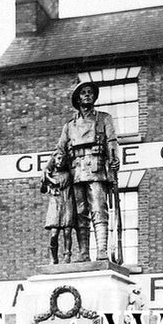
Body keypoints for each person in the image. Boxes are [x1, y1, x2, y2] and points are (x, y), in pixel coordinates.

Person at [55, 81, 119, 261]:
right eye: (83, 92)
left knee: (99, 209)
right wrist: (54, 164)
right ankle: (84, 253)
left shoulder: (104, 118)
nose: (87, 95)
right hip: (77, 172)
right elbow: (60, 150)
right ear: (78, 98)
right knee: (79, 214)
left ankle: (102, 251)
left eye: (90, 92)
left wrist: (114, 161)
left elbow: (112, 143)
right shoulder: (69, 126)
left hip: (96, 168)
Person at [41, 150, 76, 264]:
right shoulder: (50, 174)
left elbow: (57, 183)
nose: (60, 161)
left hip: (66, 202)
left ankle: (67, 255)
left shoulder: (66, 175)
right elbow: (43, 189)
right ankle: (53, 257)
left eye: (62, 159)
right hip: (55, 204)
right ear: (54, 160)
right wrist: (44, 178)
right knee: (54, 233)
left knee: (67, 232)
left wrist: (47, 177)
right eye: (58, 159)